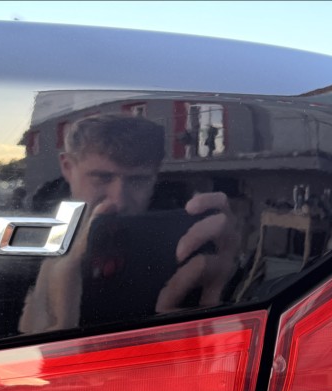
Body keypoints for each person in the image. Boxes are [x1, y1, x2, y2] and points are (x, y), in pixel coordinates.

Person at [19, 114, 238, 333]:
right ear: (67, 167)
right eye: (102, 178)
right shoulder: (27, 233)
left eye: (137, 180)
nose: (119, 200)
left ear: (155, 176)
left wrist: (229, 287)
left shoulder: (185, 227)